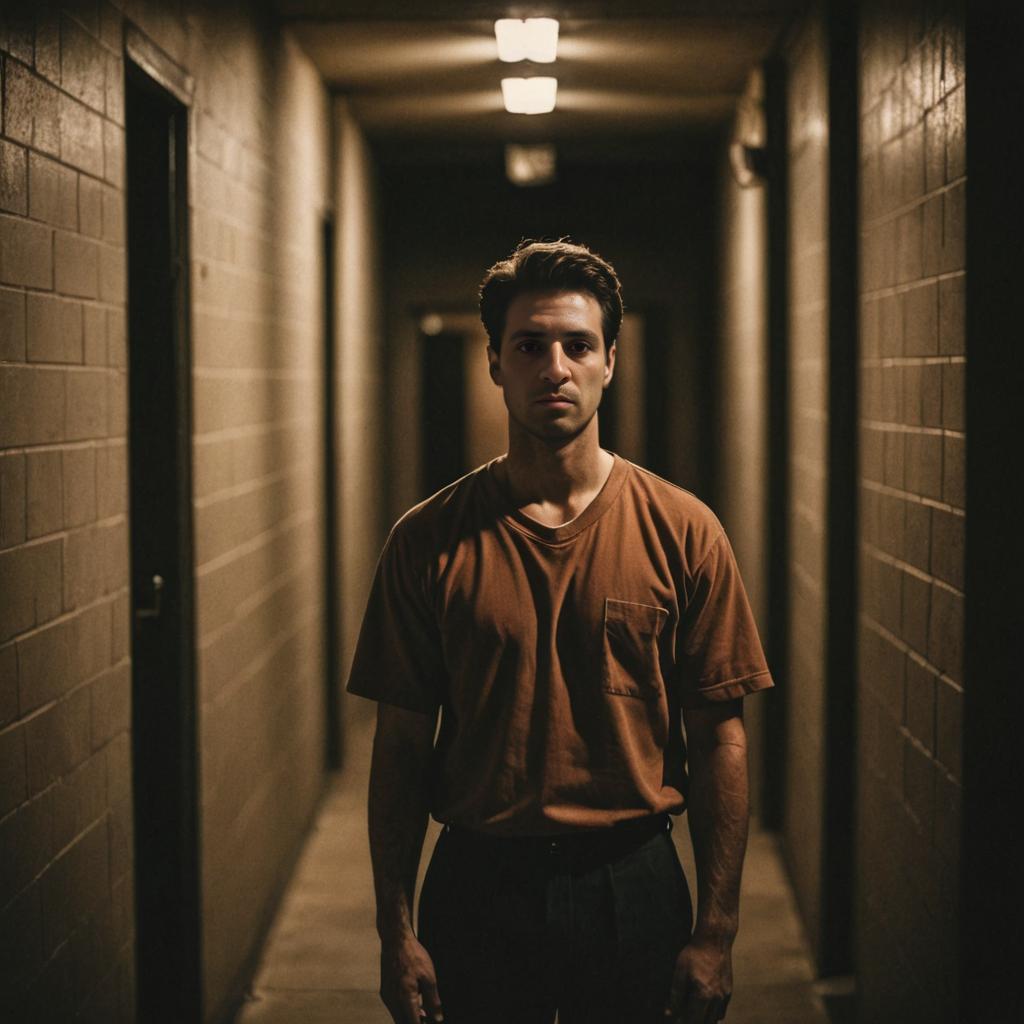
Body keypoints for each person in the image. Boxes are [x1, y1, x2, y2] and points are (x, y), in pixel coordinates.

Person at [347, 239, 773, 1024]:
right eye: (529, 345)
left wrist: (716, 932)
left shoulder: (685, 532)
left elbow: (722, 741)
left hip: (632, 882)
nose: (555, 367)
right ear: (495, 364)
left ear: (610, 360)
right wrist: (394, 930)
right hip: (477, 884)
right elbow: (401, 744)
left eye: (578, 345)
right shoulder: (427, 540)